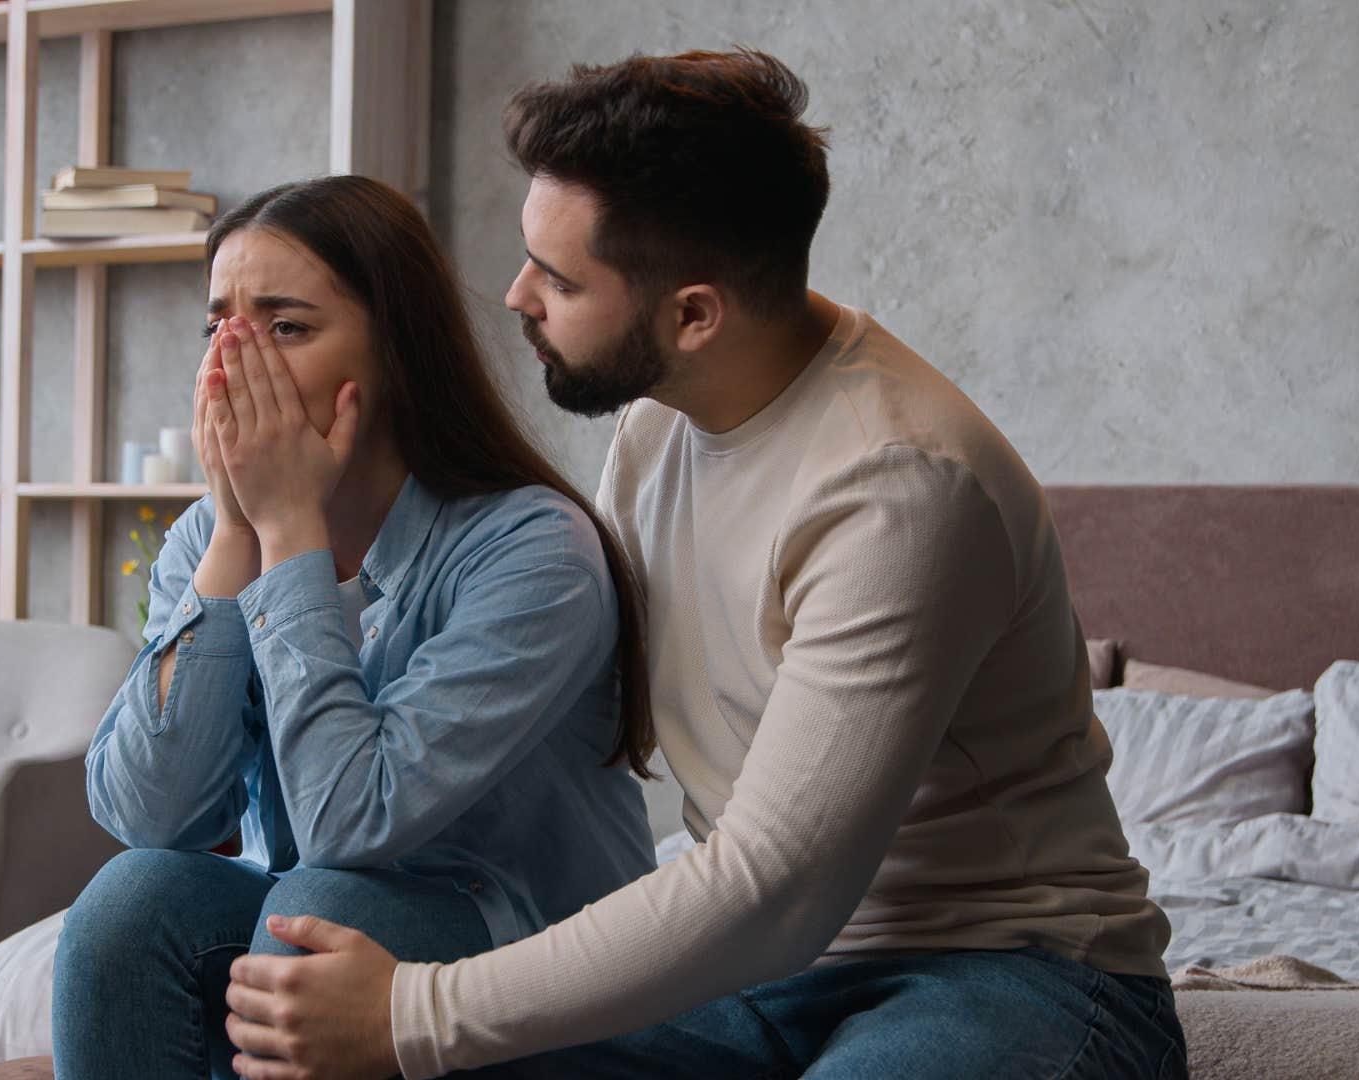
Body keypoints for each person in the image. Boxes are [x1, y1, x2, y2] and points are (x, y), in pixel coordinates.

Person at [220, 50, 1190, 1080]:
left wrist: (417, 1012)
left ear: (693, 315)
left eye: (557, 277)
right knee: (311, 998)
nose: (515, 298)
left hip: (1006, 969)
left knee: (411, 1033)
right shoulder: (655, 430)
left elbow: (772, 884)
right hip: (753, 981)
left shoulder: (900, 486)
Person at [50, 175, 658, 1080]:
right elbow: (148, 813)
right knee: (133, 901)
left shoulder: (533, 551)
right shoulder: (207, 536)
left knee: (322, 913)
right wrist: (235, 537)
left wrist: (289, 531)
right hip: (310, 911)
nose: (231, 362)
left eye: (285, 327)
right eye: (218, 325)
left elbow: (349, 823)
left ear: (394, 354)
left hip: (539, 972)